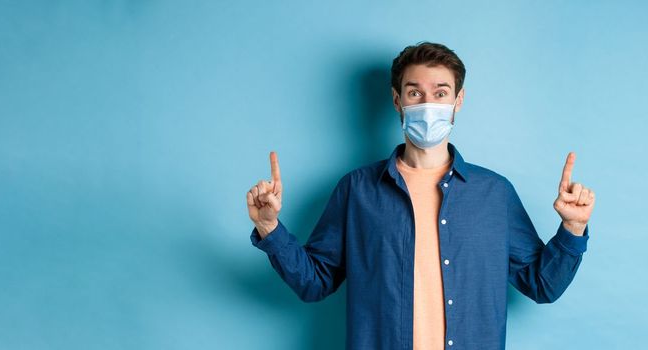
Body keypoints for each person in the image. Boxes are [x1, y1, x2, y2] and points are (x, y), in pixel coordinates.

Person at [245, 42, 596, 350]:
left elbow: (542, 286)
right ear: (397, 100)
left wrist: (573, 229)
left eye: (441, 93)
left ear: (458, 100)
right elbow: (315, 283)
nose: (428, 103)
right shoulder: (356, 190)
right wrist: (269, 228)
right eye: (415, 92)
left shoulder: (495, 194)